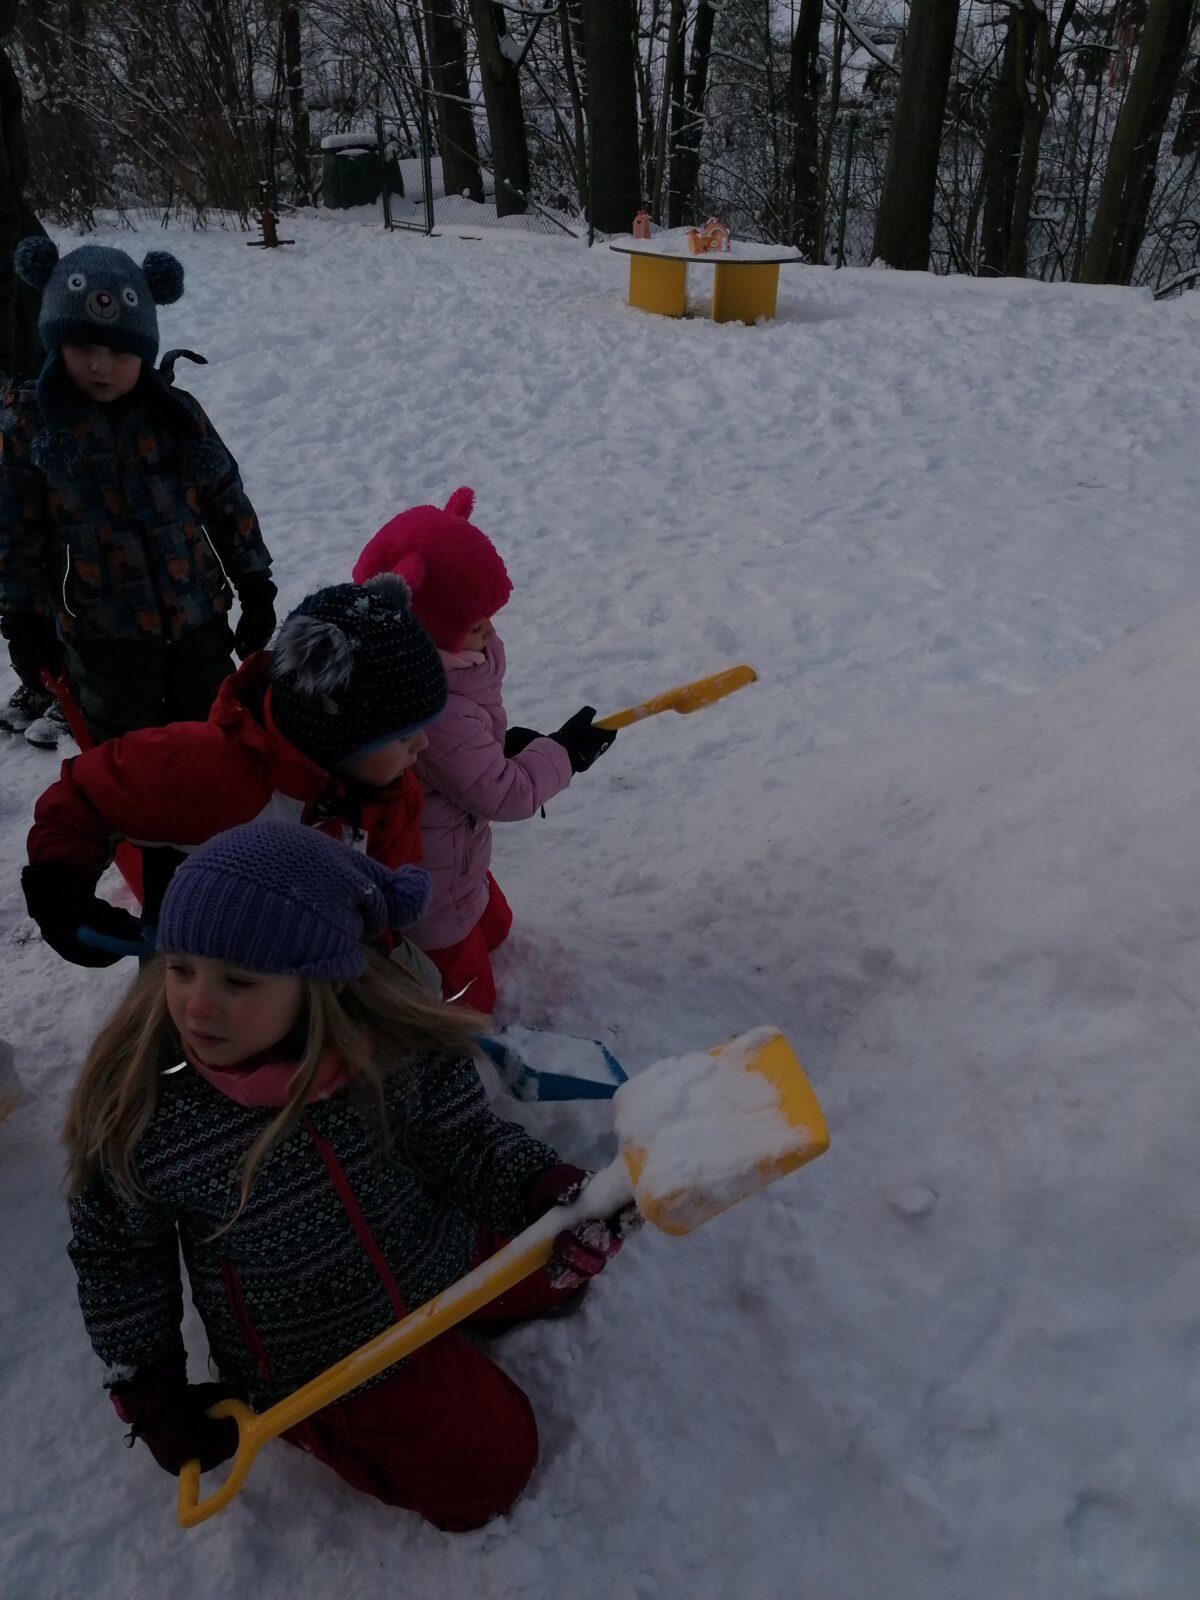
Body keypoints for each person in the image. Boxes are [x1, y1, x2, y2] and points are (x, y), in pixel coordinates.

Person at [63, 821, 631, 1531]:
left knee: (563, 1254)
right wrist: (151, 1391)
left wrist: (537, 1189)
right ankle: (318, 1422)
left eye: (238, 980)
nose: (196, 1005)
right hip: (325, 1349)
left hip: (432, 1255)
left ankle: (491, 1289)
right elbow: (117, 1259)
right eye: (180, 969)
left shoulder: (387, 1049)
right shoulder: (155, 1115)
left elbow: (461, 1143)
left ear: (320, 981)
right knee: (492, 1467)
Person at [22, 574, 447, 964]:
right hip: (203, 975)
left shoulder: (392, 792)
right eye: (403, 736)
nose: (422, 746)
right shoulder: (210, 771)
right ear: (340, 730)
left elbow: (383, 901)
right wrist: (62, 889)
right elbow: (85, 792)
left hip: (320, 978)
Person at [0, 237, 275, 749]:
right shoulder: (30, 427)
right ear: (55, 342)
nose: (101, 366)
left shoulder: (178, 416)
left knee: (218, 740)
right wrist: (23, 618)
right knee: (128, 760)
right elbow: (15, 531)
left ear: (145, 350)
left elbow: (227, 500)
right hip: (103, 638)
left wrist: (256, 583)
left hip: (199, 620)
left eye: (121, 351)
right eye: (83, 347)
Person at [353, 488, 616, 1012]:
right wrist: (564, 753)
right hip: (431, 881)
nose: (491, 631)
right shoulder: (436, 706)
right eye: (476, 625)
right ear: (426, 630)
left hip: (456, 844)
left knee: (496, 926)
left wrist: (505, 745)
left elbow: (468, 758)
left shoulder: (447, 667)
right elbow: (503, 794)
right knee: (470, 1001)